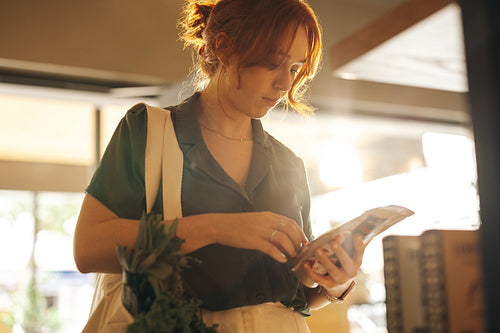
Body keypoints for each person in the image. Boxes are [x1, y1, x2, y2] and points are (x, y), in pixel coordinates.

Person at [73, 0, 366, 331]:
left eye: (296, 68)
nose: (285, 84)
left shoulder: (289, 165)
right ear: (223, 46)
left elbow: (296, 293)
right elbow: (88, 249)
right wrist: (218, 227)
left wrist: (335, 284)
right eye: (274, 63)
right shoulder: (148, 131)